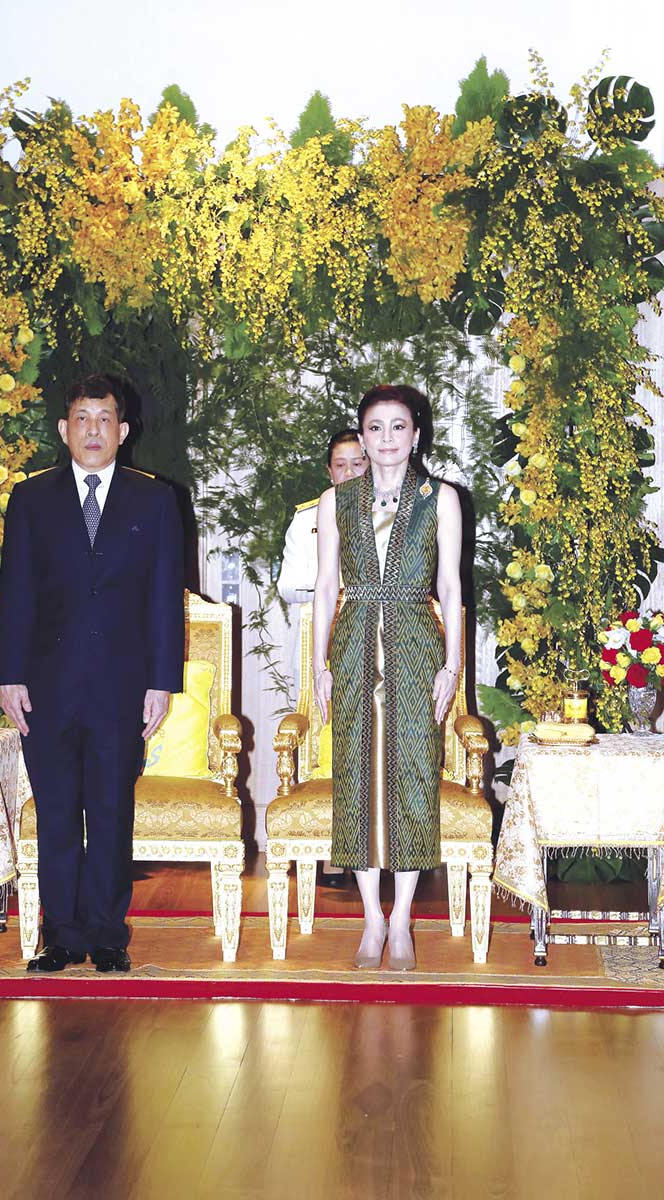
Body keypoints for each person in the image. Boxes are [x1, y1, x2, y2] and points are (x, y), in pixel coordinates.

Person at [0, 374, 184, 973]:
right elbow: (15, 591)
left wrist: (161, 681)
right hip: (46, 688)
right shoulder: (31, 499)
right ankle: (61, 935)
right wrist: (9, 675)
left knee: (109, 813)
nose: (93, 430)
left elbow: (163, 598)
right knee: (55, 813)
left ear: (123, 431)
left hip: (122, 688)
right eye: (82, 418)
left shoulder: (155, 500)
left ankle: (106, 935)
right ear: (64, 429)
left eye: (104, 419)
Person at [313, 384, 462, 971]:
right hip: (353, 645)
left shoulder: (440, 498)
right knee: (356, 775)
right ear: (362, 435)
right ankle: (371, 919)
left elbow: (449, 585)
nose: (387, 438)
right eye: (375, 428)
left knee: (413, 774)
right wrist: (320, 664)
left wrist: (451, 663)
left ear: (415, 434)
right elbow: (326, 585)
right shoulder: (336, 500)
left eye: (398, 426)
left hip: (417, 644)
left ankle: (401, 918)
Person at [277, 430, 366, 888]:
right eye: (340, 465)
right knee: (330, 748)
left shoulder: (393, 511)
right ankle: (333, 854)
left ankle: (378, 850)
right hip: (325, 642)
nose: (349, 472)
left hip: (378, 642)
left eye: (357, 463)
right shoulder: (308, 519)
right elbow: (288, 586)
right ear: (329, 471)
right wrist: (331, 588)